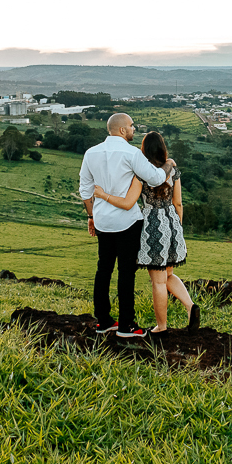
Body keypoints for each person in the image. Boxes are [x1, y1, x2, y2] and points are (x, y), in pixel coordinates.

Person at [92, 131, 199, 336]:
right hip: (172, 222)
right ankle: (190, 305)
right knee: (168, 274)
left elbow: (127, 203)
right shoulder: (173, 170)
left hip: (153, 225)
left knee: (158, 281)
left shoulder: (141, 174)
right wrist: (177, 228)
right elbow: (178, 203)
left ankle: (161, 327)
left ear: (144, 151)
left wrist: (103, 195)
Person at [79, 113, 171, 338]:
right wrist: (168, 164)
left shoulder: (91, 153)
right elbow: (156, 178)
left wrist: (91, 216)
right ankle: (126, 325)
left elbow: (85, 191)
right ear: (122, 130)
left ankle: (103, 321)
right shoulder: (132, 153)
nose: (133, 129)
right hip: (127, 221)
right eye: (131, 126)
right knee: (126, 273)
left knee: (103, 269)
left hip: (102, 221)